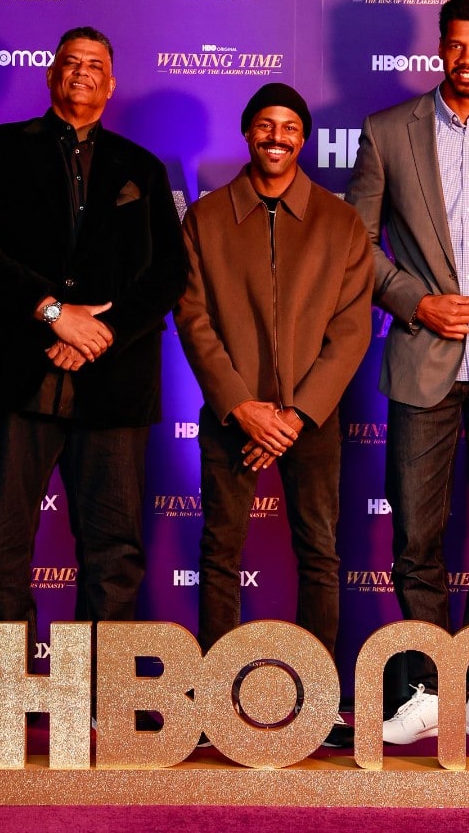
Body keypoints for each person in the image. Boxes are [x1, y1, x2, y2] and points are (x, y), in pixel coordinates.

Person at [0, 26, 188, 762]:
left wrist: (98, 333)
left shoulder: (141, 168)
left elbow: (167, 276)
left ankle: (103, 711)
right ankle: (3, 717)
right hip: (13, 379)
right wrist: (52, 313)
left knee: (114, 554)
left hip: (111, 389)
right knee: (2, 552)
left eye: (96, 66)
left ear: (111, 84)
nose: (82, 74)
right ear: (51, 74)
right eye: (71, 63)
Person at [345, 0, 469, 748]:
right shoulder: (387, 130)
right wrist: (414, 301)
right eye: (455, 45)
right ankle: (426, 690)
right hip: (423, 357)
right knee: (416, 538)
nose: (467, 59)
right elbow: (356, 244)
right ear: (440, 48)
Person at [174, 83, 373, 749]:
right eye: (265, 124)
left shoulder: (341, 223)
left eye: (289, 126)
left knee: (319, 553)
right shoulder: (205, 219)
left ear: (303, 138)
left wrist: (294, 415)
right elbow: (193, 318)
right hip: (232, 416)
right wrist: (242, 407)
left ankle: (318, 706)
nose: (276, 136)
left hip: (310, 421)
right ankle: (213, 703)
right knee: (219, 552)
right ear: (247, 133)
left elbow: (351, 330)